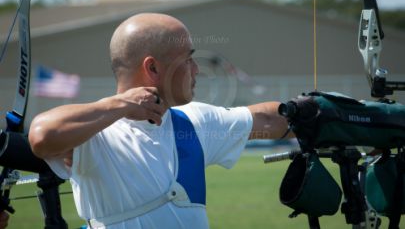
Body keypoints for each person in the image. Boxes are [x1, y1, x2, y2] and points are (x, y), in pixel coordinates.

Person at [28, 13, 293, 228]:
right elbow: (42, 135)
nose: (196, 70)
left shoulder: (194, 120)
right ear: (153, 68)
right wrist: (122, 104)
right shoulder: (95, 130)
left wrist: (317, 110)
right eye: (188, 59)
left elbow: (266, 121)